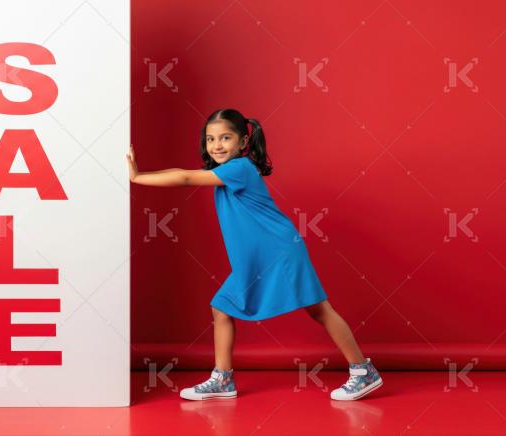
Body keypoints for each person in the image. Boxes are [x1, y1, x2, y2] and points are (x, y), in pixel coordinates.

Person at [126, 108, 383, 401]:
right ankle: (223, 380)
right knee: (221, 307)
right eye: (211, 139)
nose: (217, 145)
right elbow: (184, 174)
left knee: (319, 310)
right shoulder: (222, 174)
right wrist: (139, 174)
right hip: (259, 260)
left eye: (225, 138)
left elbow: (184, 178)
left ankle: (363, 372)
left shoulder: (240, 169)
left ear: (243, 143)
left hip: (280, 251)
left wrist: (137, 178)